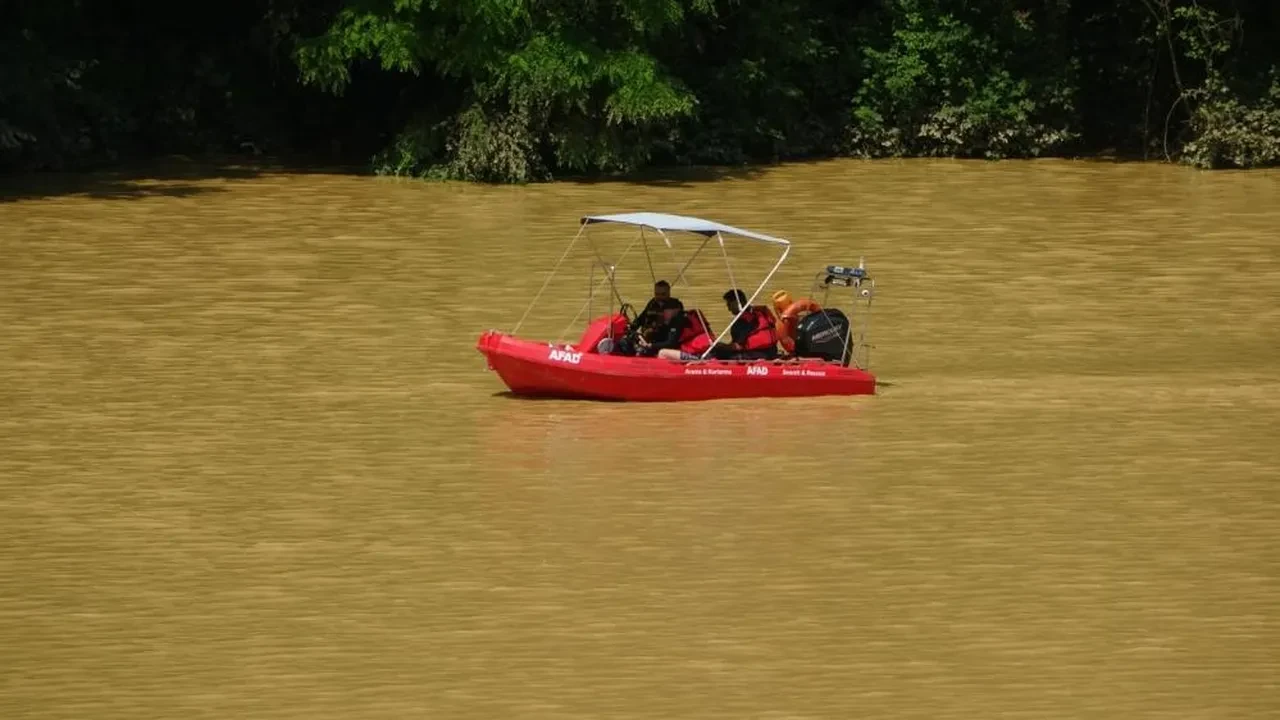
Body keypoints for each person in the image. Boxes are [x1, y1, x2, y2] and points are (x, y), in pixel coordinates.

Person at [707, 288, 779, 360]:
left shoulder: (742, 321)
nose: (729, 309)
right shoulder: (760, 313)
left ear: (737, 302)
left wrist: (718, 346)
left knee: (717, 352)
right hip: (772, 352)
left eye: (729, 304)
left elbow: (737, 346)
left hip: (755, 355)